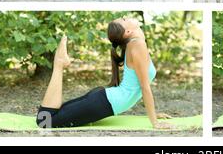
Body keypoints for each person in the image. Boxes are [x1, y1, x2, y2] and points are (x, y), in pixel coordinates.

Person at [35, 17, 174, 129]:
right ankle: (59, 64)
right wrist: (154, 122)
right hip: (103, 102)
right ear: (127, 32)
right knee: (45, 120)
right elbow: (144, 87)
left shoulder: (135, 44)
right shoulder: (137, 45)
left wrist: (154, 114)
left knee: (50, 116)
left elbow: (137, 88)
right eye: (124, 19)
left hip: (103, 100)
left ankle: (59, 63)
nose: (126, 17)